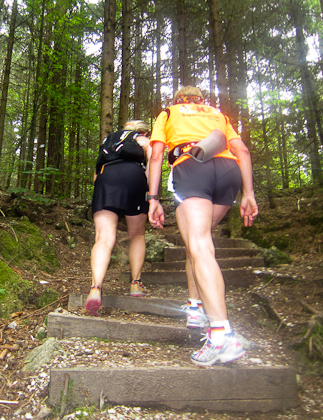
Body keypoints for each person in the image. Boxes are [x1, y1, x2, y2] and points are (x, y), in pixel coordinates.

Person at [147, 86, 258, 366]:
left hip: (192, 166)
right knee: (197, 243)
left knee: (199, 246)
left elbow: (156, 156)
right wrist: (249, 193)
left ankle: (222, 335)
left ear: (178, 100)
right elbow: (242, 150)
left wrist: (153, 198)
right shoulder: (218, 114)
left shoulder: (169, 113)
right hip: (229, 172)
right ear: (201, 100)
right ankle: (196, 307)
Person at [85, 120, 153, 316]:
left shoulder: (109, 141)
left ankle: (95, 288)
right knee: (137, 234)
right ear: (142, 131)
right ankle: (135, 284)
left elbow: (95, 176)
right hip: (134, 178)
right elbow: (153, 161)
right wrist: (150, 191)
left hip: (106, 179)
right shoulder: (142, 140)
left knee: (103, 237)